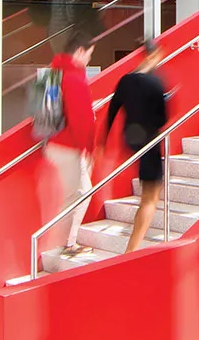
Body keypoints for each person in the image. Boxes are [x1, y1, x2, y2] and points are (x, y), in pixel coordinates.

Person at [106, 39, 171, 251]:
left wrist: (103, 142)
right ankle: (131, 250)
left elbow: (113, 109)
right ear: (153, 56)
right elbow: (162, 119)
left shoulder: (125, 81)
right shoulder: (155, 83)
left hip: (131, 139)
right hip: (149, 141)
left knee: (147, 195)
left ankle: (132, 245)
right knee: (150, 197)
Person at [44, 31, 99, 258]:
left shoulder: (53, 74)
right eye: (89, 55)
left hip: (52, 143)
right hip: (69, 147)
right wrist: (88, 149)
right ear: (79, 51)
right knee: (79, 192)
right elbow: (81, 120)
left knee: (72, 193)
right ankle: (64, 244)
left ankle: (64, 242)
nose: (89, 60)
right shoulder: (75, 79)